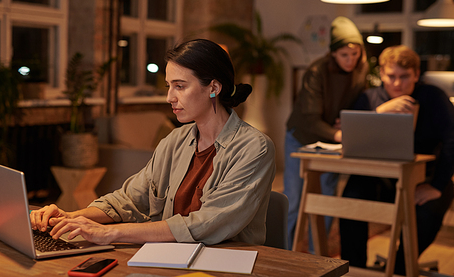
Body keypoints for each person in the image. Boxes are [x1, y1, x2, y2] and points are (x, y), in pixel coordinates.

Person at [31, 38, 276, 246]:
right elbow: (128, 200)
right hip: (172, 259)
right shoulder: (175, 140)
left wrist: (111, 232)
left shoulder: (254, 148)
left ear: (213, 88)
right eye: (169, 86)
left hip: (226, 264)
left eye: (180, 86)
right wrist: (70, 216)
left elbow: (207, 224)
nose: (169, 97)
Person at [339, 45, 454, 275]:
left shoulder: (433, 97)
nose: (397, 84)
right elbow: (350, 138)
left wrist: (436, 186)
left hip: (424, 178)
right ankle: (353, 269)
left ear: (416, 74)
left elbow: (453, 139)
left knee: (427, 211)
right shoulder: (369, 98)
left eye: (404, 77)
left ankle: (402, 268)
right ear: (381, 73)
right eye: (391, 77)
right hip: (378, 178)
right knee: (351, 199)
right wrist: (380, 111)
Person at [284, 16, 369, 250]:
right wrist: (339, 134)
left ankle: (317, 254)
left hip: (331, 139)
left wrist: (348, 121)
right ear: (332, 53)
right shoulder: (316, 71)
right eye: (344, 55)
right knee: (293, 199)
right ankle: (282, 251)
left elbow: (359, 100)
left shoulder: (361, 69)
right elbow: (310, 119)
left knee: (327, 201)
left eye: (355, 54)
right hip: (301, 137)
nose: (351, 60)